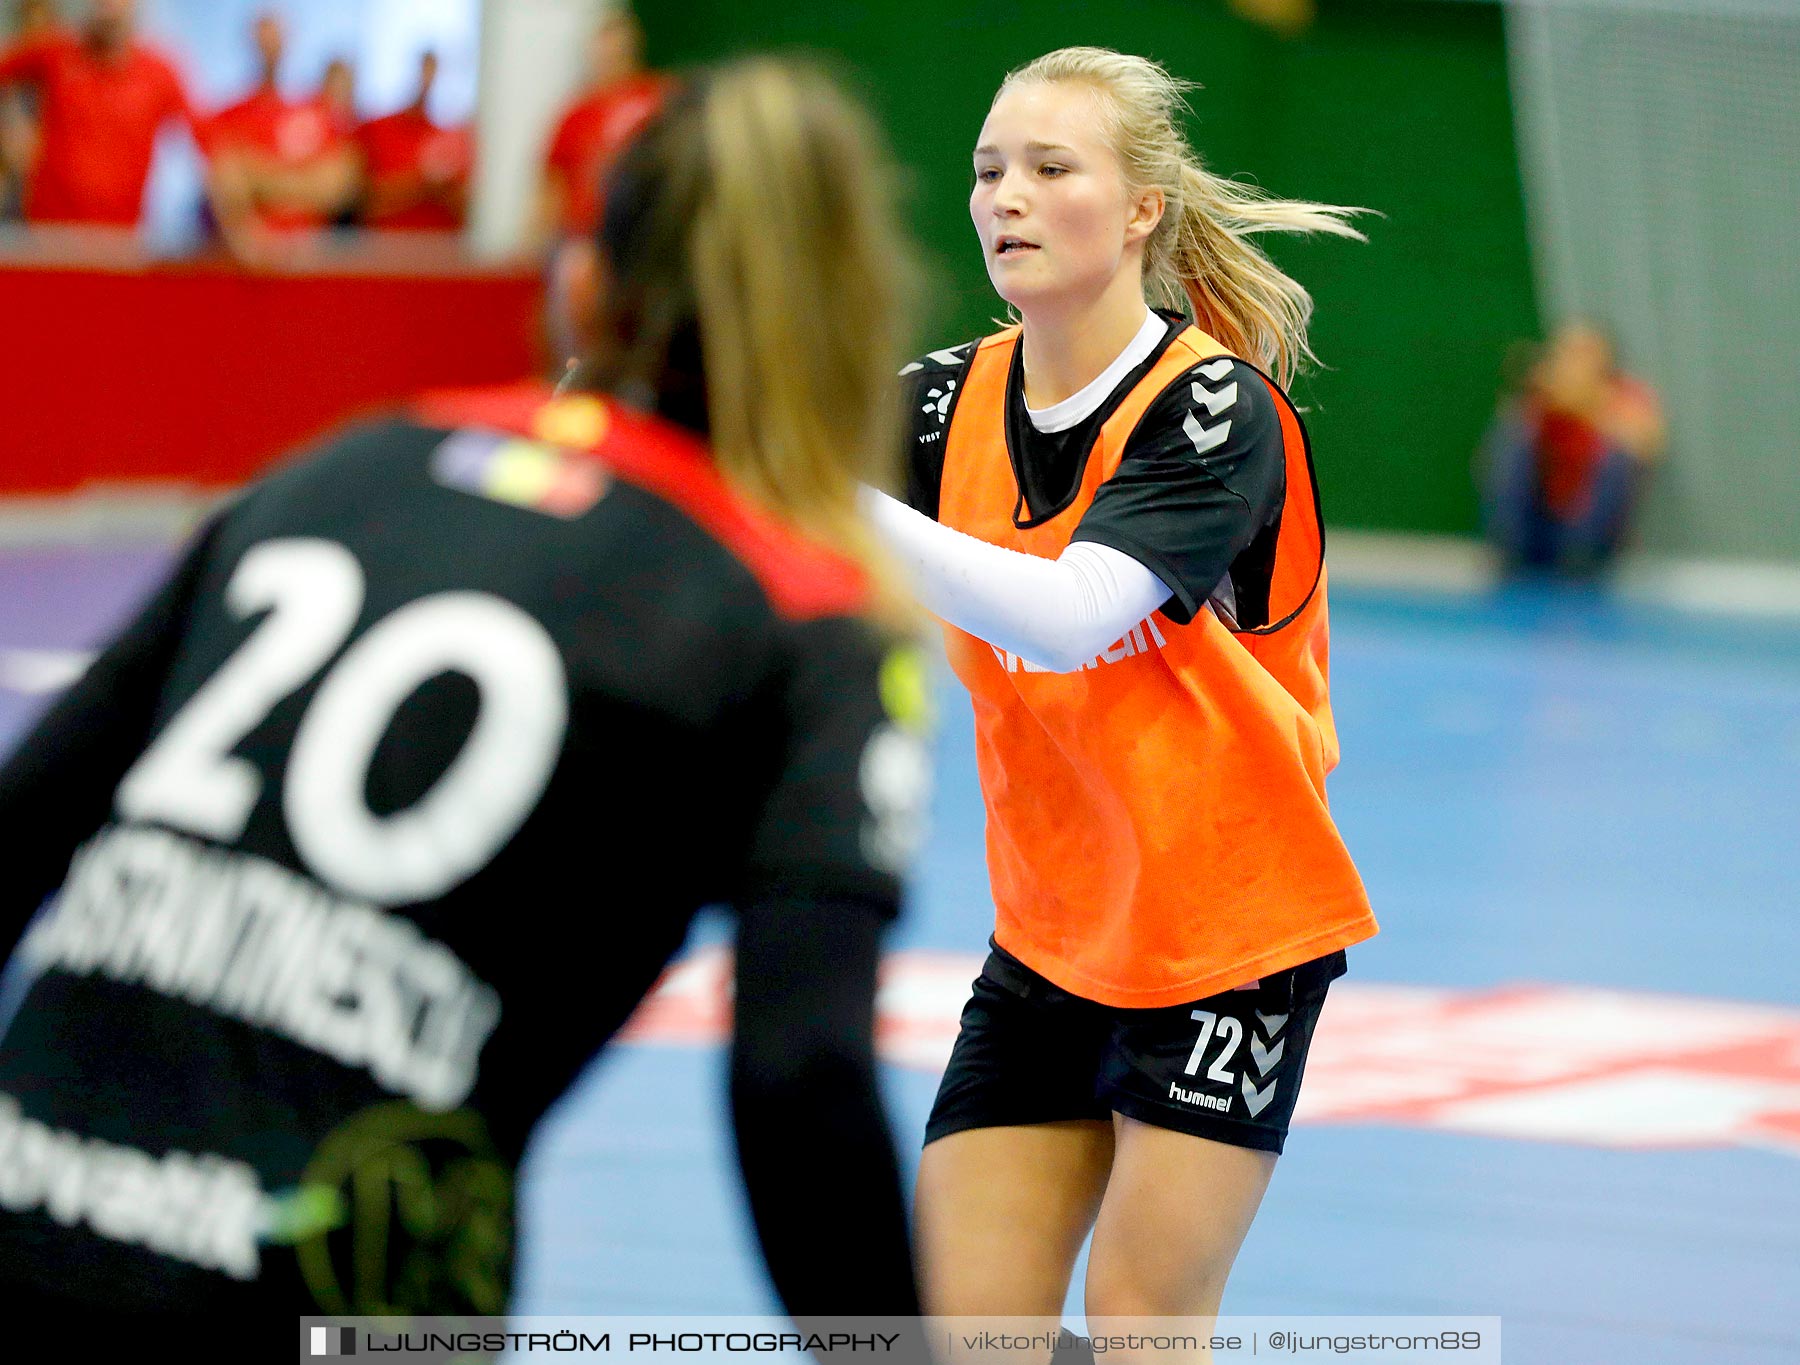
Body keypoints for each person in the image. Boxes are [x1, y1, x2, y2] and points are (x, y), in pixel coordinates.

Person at [0, 57, 928, 1331]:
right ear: (854, 326)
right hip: (323, 1290)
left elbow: (20, 826)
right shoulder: (803, 620)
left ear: (583, 284)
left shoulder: (345, 467)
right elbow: (803, 1079)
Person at [861, 46, 1380, 1342]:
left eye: (1049, 168)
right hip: (1051, 941)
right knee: (962, 1322)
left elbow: (1071, 618)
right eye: (989, 171)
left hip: (1227, 943)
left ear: (1141, 207)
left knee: (1145, 1316)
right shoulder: (936, 404)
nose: (1005, 200)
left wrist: (812, 490)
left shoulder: (1215, 408)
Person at [1480, 319, 1665, 577]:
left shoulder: (1627, 397)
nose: (1572, 362)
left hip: (1587, 536)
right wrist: (1549, 405)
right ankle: (1508, 547)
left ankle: (1582, 557)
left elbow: (1648, 443)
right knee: (1511, 441)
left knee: (1621, 460)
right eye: (1565, 352)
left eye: (1582, 353)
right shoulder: (1541, 399)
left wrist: (1587, 407)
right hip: (1538, 527)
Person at [0, 0, 202, 228]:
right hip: (48, 228)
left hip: (120, 232)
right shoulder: (57, 51)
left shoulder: (159, 72)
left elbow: (201, 133)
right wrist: (12, 126)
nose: (110, 11)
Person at [206, 16, 358, 246]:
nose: (270, 48)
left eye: (276, 38)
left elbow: (338, 186)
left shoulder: (316, 111)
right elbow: (227, 186)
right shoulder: (229, 115)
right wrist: (302, 179)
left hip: (314, 255)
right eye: (264, 39)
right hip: (253, 258)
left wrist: (259, 179)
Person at [355, 50, 471, 232]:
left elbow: (469, 208)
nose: (427, 80)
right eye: (424, 69)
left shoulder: (454, 139)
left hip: (440, 249)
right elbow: (359, 199)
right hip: (387, 247)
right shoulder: (375, 129)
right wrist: (421, 183)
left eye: (435, 71)